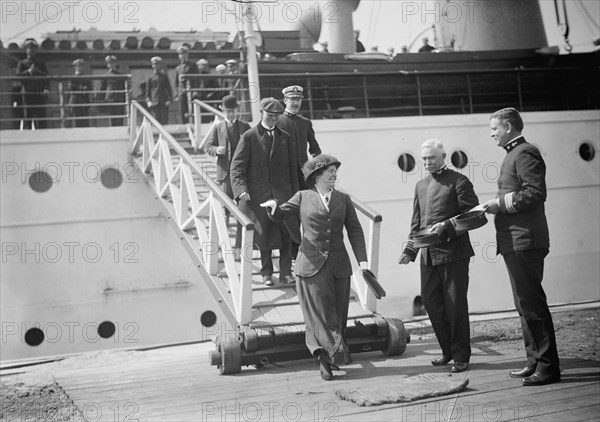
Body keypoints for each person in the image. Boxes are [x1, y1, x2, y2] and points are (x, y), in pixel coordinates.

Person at [260, 154, 368, 380]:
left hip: (339, 266)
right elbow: (282, 214)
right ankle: (323, 359)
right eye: (330, 171)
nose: (334, 174)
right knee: (318, 315)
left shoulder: (344, 199)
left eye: (335, 171)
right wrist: (273, 207)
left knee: (338, 314)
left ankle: (332, 355)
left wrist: (363, 261)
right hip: (310, 264)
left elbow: (355, 231)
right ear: (317, 176)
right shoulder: (302, 196)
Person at [483, 107, 560, 386]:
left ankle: (548, 367)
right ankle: (534, 362)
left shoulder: (525, 152)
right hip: (514, 241)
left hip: (524, 240)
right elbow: (518, 192)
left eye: (495, 128)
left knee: (532, 304)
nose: (492, 133)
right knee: (522, 304)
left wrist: (498, 204)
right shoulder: (512, 155)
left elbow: (536, 193)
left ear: (510, 126)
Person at [398, 139, 479, 373]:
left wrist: (447, 227)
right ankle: (447, 351)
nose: (427, 162)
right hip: (428, 256)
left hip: (454, 253)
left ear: (443, 156)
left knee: (455, 306)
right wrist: (409, 250)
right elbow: (417, 223)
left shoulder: (459, 181)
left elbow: (474, 216)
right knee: (431, 302)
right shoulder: (420, 186)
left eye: (431, 157)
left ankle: (461, 356)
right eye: (423, 158)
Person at [230, 97, 299, 286]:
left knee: (287, 234)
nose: (274, 119)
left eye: (277, 116)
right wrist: (241, 190)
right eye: (270, 115)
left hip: (284, 195)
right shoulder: (249, 136)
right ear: (261, 113)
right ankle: (267, 272)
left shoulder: (285, 137)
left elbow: (293, 168)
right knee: (265, 234)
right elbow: (236, 167)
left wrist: (296, 194)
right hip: (259, 195)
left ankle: (286, 273)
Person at [205, 95, 251, 255]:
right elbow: (208, 147)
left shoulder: (245, 126)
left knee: (242, 212)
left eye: (232, 111)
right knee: (223, 211)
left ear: (237, 110)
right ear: (223, 111)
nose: (230, 114)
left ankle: (239, 247)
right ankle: (221, 247)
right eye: (227, 111)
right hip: (225, 175)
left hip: (241, 177)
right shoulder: (217, 127)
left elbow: (254, 147)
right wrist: (217, 150)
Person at [278, 85, 322, 190]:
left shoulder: (305, 123)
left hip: (303, 174)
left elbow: (315, 149)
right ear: (285, 100)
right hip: (283, 175)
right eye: (292, 99)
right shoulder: (277, 122)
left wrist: (319, 169)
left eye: (298, 99)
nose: (295, 103)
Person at [16, 38, 49, 129]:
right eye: (29, 48)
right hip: (27, 93)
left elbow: (47, 77)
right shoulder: (22, 63)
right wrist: (28, 71)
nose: (31, 50)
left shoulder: (41, 64)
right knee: (27, 116)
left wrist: (46, 88)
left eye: (33, 48)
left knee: (41, 117)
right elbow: (18, 76)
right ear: (26, 50)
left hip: (39, 93)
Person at [174, 45, 198, 124]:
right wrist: (177, 92)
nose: (182, 56)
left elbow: (196, 79)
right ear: (179, 56)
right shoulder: (178, 68)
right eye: (181, 54)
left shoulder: (193, 66)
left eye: (184, 54)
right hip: (181, 91)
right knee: (182, 110)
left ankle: (193, 124)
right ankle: (184, 125)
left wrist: (195, 90)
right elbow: (176, 82)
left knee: (191, 109)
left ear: (187, 55)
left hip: (190, 91)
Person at [146, 56, 173, 125]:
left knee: (164, 121)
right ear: (152, 66)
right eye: (154, 64)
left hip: (164, 102)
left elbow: (169, 89)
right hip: (154, 103)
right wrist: (148, 101)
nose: (156, 66)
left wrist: (169, 99)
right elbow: (148, 91)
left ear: (160, 65)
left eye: (157, 64)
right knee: (155, 122)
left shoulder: (164, 77)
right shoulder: (150, 78)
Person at [100, 55, 126, 126]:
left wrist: (125, 100)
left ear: (115, 63)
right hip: (109, 100)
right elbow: (102, 89)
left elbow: (124, 88)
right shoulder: (105, 76)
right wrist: (101, 101)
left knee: (120, 119)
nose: (110, 64)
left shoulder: (121, 75)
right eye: (109, 63)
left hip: (119, 100)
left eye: (112, 62)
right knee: (111, 119)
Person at [69, 58, 91, 127]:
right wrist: (82, 88)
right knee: (76, 122)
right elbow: (71, 88)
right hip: (75, 102)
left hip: (84, 102)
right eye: (77, 66)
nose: (79, 67)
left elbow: (90, 88)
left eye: (81, 66)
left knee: (85, 122)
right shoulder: (72, 78)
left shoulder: (86, 78)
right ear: (75, 67)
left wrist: (83, 88)